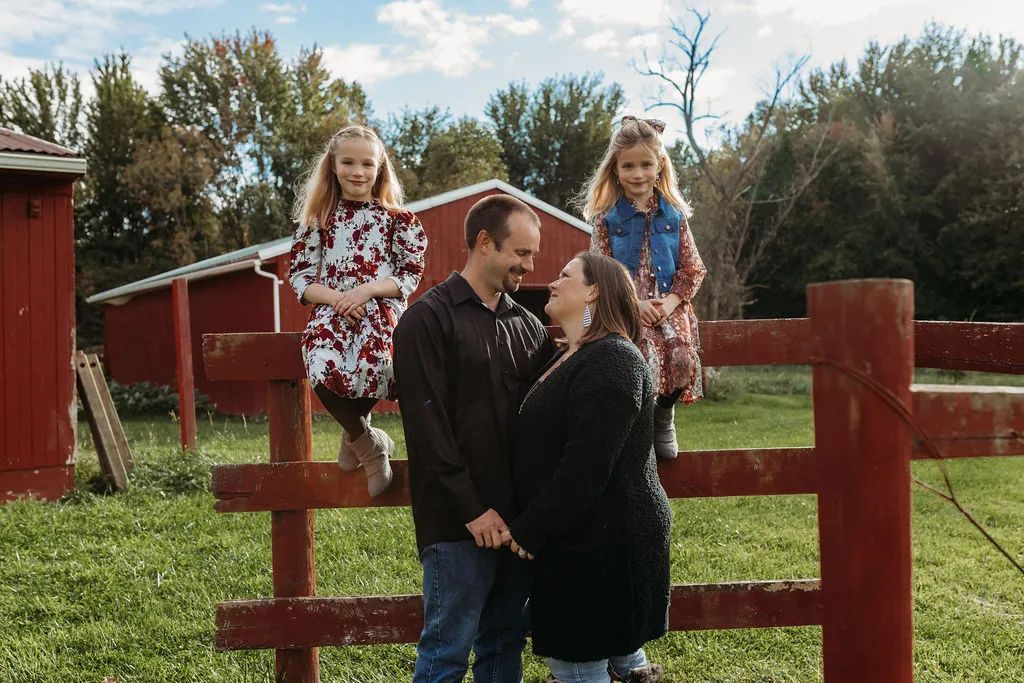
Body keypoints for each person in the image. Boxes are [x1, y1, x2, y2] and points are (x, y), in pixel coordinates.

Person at [393, 194, 554, 683]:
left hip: (516, 526)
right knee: (447, 653)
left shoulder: (528, 327)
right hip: (455, 524)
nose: (530, 266)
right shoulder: (426, 320)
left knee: (504, 644)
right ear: (484, 243)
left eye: (532, 255)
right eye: (521, 253)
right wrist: (471, 509)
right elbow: (426, 429)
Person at [501, 252, 670, 683]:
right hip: (583, 535)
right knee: (619, 660)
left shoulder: (613, 359)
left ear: (593, 291)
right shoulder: (568, 354)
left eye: (565, 276)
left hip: (600, 544)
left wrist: (531, 528)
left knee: (579, 663)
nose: (553, 283)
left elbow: (586, 467)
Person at [289, 124, 427, 497]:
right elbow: (301, 279)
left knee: (374, 362)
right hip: (332, 311)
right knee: (320, 361)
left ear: (379, 168)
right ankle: (369, 443)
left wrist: (366, 291)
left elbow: (409, 275)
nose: (357, 171)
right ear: (332, 166)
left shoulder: (397, 220)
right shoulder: (318, 219)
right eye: (348, 162)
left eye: (367, 164)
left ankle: (355, 433)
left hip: (378, 309)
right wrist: (337, 299)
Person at [581, 115, 706, 460]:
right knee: (640, 355)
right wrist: (632, 303)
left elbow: (693, 267)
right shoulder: (607, 219)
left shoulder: (675, 216)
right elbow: (597, 270)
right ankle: (642, 424)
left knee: (680, 355)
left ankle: (664, 415)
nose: (638, 174)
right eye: (629, 166)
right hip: (625, 306)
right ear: (615, 170)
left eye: (646, 164)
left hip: (670, 305)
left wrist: (670, 303)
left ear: (660, 165)